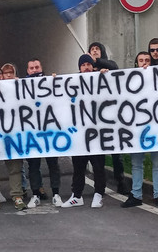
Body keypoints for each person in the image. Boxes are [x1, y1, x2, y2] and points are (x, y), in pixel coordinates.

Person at [122, 51, 158, 209]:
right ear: (136, 63)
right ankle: (136, 194)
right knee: (136, 163)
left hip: (156, 128)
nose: (144, 63)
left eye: (147, 60)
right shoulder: (128, 82)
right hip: (137, 129)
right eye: (141, 60)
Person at [62, 54, 107, 209]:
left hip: (96, 134)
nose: (86, 67)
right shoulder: (72, 83)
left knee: (98, 166)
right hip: (79, 135)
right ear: (79, 68)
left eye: (89, 64)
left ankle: (98, 194)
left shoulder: (101, 79)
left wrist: (106, 73)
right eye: (83, 65)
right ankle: (76, 195)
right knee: (78, 167)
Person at [0, 64, 27, 212]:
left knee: (15, 168)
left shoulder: (13, 89)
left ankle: (17, 196)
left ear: (2, 75)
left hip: (10, 135)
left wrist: (19, 84)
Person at [88, 42, 127, 194]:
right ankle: (100, 185)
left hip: (112, 117)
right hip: (96, 119)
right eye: (92, 50)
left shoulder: (109, 66)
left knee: (116, 154)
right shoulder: (88, 70)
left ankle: (121, 181)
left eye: (97, 49)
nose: (95, 51)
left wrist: (100, 66)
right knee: (99, 156)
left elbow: (115, 68)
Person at [25, 58, 63, 208]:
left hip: (49, 132)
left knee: (53, 164)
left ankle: (56, 194)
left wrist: (55, 82)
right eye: (31, 68)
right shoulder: (20, 86)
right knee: (33, 166)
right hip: (31, 133)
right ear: (27, 71)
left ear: (41, 68)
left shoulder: (50, 82)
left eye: (36, 67)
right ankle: (35, 194)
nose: (34, 70)